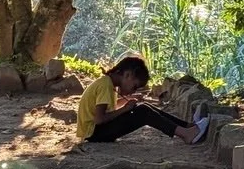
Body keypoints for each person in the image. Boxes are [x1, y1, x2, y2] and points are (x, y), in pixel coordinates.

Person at [76, 55, 210, 145]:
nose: (133, 90)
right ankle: (186, 134)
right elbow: (99, 119)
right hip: (94, 134)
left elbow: (106, 108)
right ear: (128, 75)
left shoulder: (107, 83)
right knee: (143, 111)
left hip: (96, 132)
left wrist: (127, 101)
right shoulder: (105, 85)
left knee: (143, 106)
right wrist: (124, 109)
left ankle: (188, 126)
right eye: (134, 86)